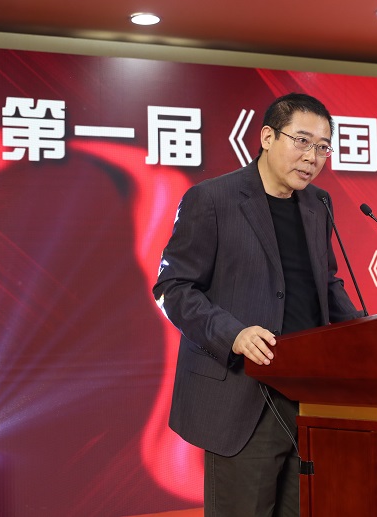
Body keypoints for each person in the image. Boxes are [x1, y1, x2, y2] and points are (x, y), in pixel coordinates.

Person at [152, 92, 363, 516]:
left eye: (323, 147)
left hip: (310, 395)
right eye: (302, 141)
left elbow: (325, 283)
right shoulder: (212, 199)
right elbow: (173, 288)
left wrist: (366, 332)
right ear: (267, 137)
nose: (312, 157)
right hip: (245, 396)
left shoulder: (318, 204)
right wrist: (233, 334)